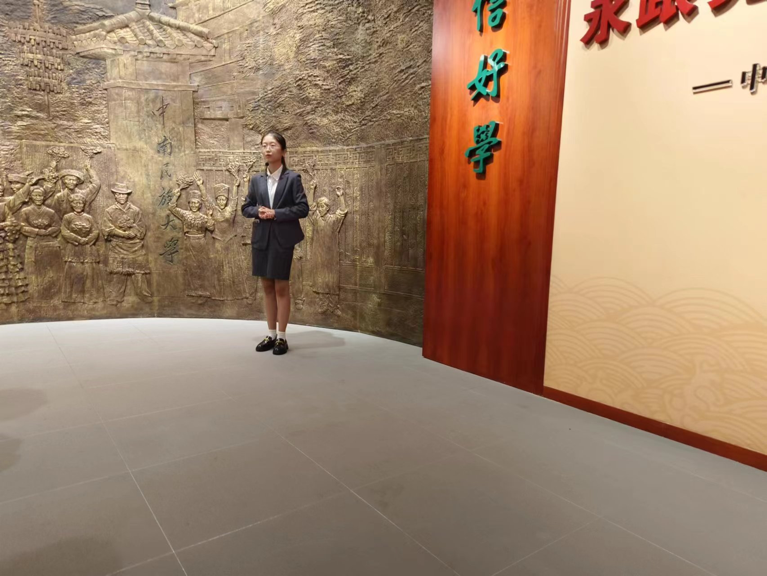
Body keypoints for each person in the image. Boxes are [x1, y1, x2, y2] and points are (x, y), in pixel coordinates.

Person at [242, 131, 309, 355]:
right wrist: (258, 212)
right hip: (261, 237)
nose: (267, 149)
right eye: (264, 145)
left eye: (272, 145)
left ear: (283, 151)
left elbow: (303, 208)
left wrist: (276, 213)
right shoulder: (256, 180)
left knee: (281, 286)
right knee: (267, 287)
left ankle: (282, 337)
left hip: (282, 238)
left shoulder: (292, 178)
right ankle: (270, 335)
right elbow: (246, 208)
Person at [102, 182, 152, 305]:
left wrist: (133, 231)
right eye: (119, 194)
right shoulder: (109, 211)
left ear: (127, 195)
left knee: (138, 272)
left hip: (135, 246)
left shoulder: (135, 210)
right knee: (118, 273)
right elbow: (107, 228)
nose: (121, 196)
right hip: (118, 246)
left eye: (124, 194)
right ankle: (115, 297)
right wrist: (123, 234)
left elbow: (141, 227)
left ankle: (143, 295)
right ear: (115, 195)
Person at [168, 174, 215, 300]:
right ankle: (192, 290)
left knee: (201, 265)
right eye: (192, 203)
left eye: (197, 203)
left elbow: (211, 228)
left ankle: (202, 290)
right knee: (190, 266)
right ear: (189, 204)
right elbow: (171, 207)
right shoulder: (185, 214)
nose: (194, 205)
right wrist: (176, 195)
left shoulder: (203, 217)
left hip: (201, 243)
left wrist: (209, 216)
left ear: (200, 205)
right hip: (189, 242)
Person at [19, 186, 62, 300]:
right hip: (33, 243)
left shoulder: (50, 212)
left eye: (40, 196)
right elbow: (22, 226)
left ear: (44, 197)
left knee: (48, 269)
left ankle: (50, 294)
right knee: (33, 269)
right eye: (35, 195)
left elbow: (57, 226)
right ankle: (34, 296)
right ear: (31, 197)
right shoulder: (25, 211)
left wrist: (48, 231)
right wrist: (37, 231)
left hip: (48, 243)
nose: (38, 198)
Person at [60, 193, 103, 304]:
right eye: (75, 203)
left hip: (88, 249)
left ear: (83, 204)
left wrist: (87, 240)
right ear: (72, 204)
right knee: (75, 272)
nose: (78, 205)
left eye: (80, 203)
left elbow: (95, 231)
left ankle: (90, 297)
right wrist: (78, 239)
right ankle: (74, 297)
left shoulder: (89, 218)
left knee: (89, 272)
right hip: (74, 248)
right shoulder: (67, 217)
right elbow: (64, 231)